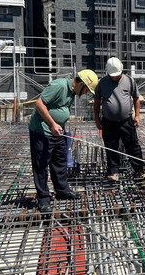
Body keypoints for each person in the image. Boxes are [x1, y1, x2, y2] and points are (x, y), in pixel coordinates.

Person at [29, 70, 98, 213]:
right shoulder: (59, 86)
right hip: (42, 132)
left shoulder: (72, 92)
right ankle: (43, 199)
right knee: (41, 165)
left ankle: (62, 190)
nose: (86, 94)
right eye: (87, 90)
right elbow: (39, 104)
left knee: (59, 161)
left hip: (58, 132)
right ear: (81, 84)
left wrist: (59, 126)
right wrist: (53, 124)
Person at [94, 57, 145, 182]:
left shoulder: (129, 81)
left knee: (133, 145)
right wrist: (97, 118)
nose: (115, 77)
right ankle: (114, 172)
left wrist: (137, 116)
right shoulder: (102, 83)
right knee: (111, 146)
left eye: (117, 75)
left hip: (126, 121)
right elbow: (97, 102)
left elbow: (136, 98)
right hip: (108, 122)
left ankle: (139, 169)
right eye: (112, 75)